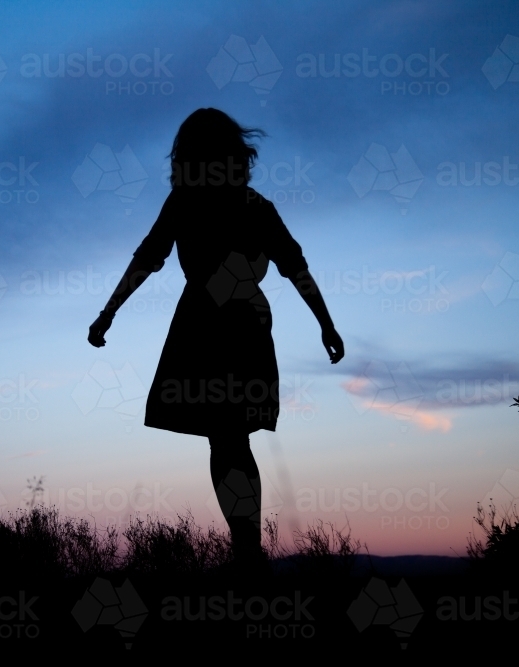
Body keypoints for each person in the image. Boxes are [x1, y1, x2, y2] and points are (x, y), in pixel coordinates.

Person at [88, 108, 344, 566]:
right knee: (228, 439)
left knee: (227, 439)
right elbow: (150, 257)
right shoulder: (216, 205)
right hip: (229, 326)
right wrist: (325, 322)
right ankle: (247, 548)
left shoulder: (224, 206)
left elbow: (291, 263)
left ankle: (246, 550)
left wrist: (326, 322)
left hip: (220, 326)